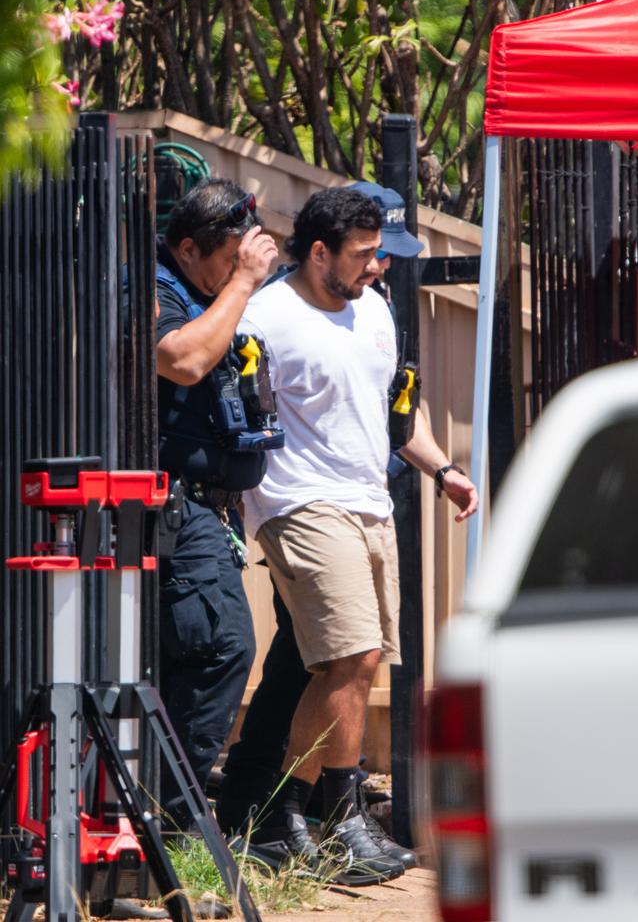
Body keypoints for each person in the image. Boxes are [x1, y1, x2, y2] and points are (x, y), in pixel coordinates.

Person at [218, 185, 478, 882]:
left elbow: (399, 411)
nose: (378, 267)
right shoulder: (266, 315)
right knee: (354, 654)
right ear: (321, 251)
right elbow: (232, 410)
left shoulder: (377, 310)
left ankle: (295, 815)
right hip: (297, 502)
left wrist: (442, 468)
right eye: (366, 255)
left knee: (352, 665)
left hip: (370, 502)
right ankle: (341, 817)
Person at [154, 177, 278, 829]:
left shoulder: (209, 290)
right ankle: (169, 820)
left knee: (192, 652)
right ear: (188, 249)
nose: (241, 269)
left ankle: (157, 811)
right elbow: (179, 358)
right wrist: (243, 284)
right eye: (229, 257)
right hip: (171, 505)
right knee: (220, 644)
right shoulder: (151, 289)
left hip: (210, 507)